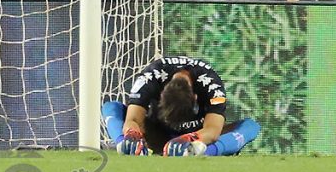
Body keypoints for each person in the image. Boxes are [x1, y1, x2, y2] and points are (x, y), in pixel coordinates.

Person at [102, 55, 261, 157]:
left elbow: (213, 130)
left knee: (251, 126)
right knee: (110, 107)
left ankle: (201, 152)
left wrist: (192, 139)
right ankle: (124, 145)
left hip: (196, 135)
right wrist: (131, 135)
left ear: (195, 98)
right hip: (156, 134)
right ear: (161, 93)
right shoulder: (150, 78)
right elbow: (133, 119)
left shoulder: (211, 84)